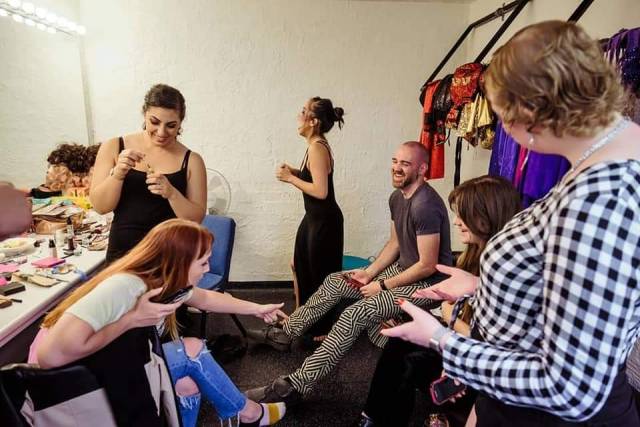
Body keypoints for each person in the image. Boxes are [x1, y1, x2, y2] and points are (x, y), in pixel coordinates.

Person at [382, 21, 640, 427]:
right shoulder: (607, 155)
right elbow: (566, 291)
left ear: (531, 110)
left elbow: (569, 388)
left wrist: (440, 339)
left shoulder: (600, 197)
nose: (503, 130)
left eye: (502, 116)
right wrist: (483, 286)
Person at [246, 141, 453, 404]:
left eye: (405, 163)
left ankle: (296, 385)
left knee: (355, 313)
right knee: (335, 281)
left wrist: (383, 285)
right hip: (403, 270)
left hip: (429, 284)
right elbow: (395, 244)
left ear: (422, 169)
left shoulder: (426, 205)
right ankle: (286, 333)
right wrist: (369, 273)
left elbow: (427, 265)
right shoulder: (397, 197)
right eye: (394, 161)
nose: (396, 168)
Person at [31, 219, 288, 427]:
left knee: (187, 385)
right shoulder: (124, 286)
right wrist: (131, 319)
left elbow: (206, 298)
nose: (208, 269)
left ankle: (248, 414)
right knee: (192, 350)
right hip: (65, 382)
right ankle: (250, 414)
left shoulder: (166, 282)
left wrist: (258, 309)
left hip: (101, 364)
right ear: (179, 262)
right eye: (203, 262)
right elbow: (49, 358)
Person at [355, 175, 521, 427]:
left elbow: (491, 344)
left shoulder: (505, 269)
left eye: (463, 215)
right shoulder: (473, 256)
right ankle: (372, 417)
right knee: (399, 341)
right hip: (463, 341)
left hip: (483, 364)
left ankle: (380, 418)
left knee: (408, 363)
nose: (456, 222)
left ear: (486, 217)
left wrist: (447, 320)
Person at [90, 83, 207, 263]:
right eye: (154, 122)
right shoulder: (114, 146)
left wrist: (172, 193)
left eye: (171, 126)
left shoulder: (192, 160)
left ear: (180, 123)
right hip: (123, 256)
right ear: (144, 114)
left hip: (170, 258)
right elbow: (100, 207)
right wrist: (118, 174)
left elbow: (196, 220)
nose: (161, 132)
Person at [276, 96, 345, 342]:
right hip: (314, 219)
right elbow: (315, 177)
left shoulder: (317, 147)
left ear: (314, 121)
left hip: (325, 221)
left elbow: (321, 191)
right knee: (298, 264)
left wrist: (290, 178)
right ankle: (302, 317)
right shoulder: (314, 145)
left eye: (303, 111)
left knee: (320, 275)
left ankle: (322, 329)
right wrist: (295, 171)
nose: (299, 115)